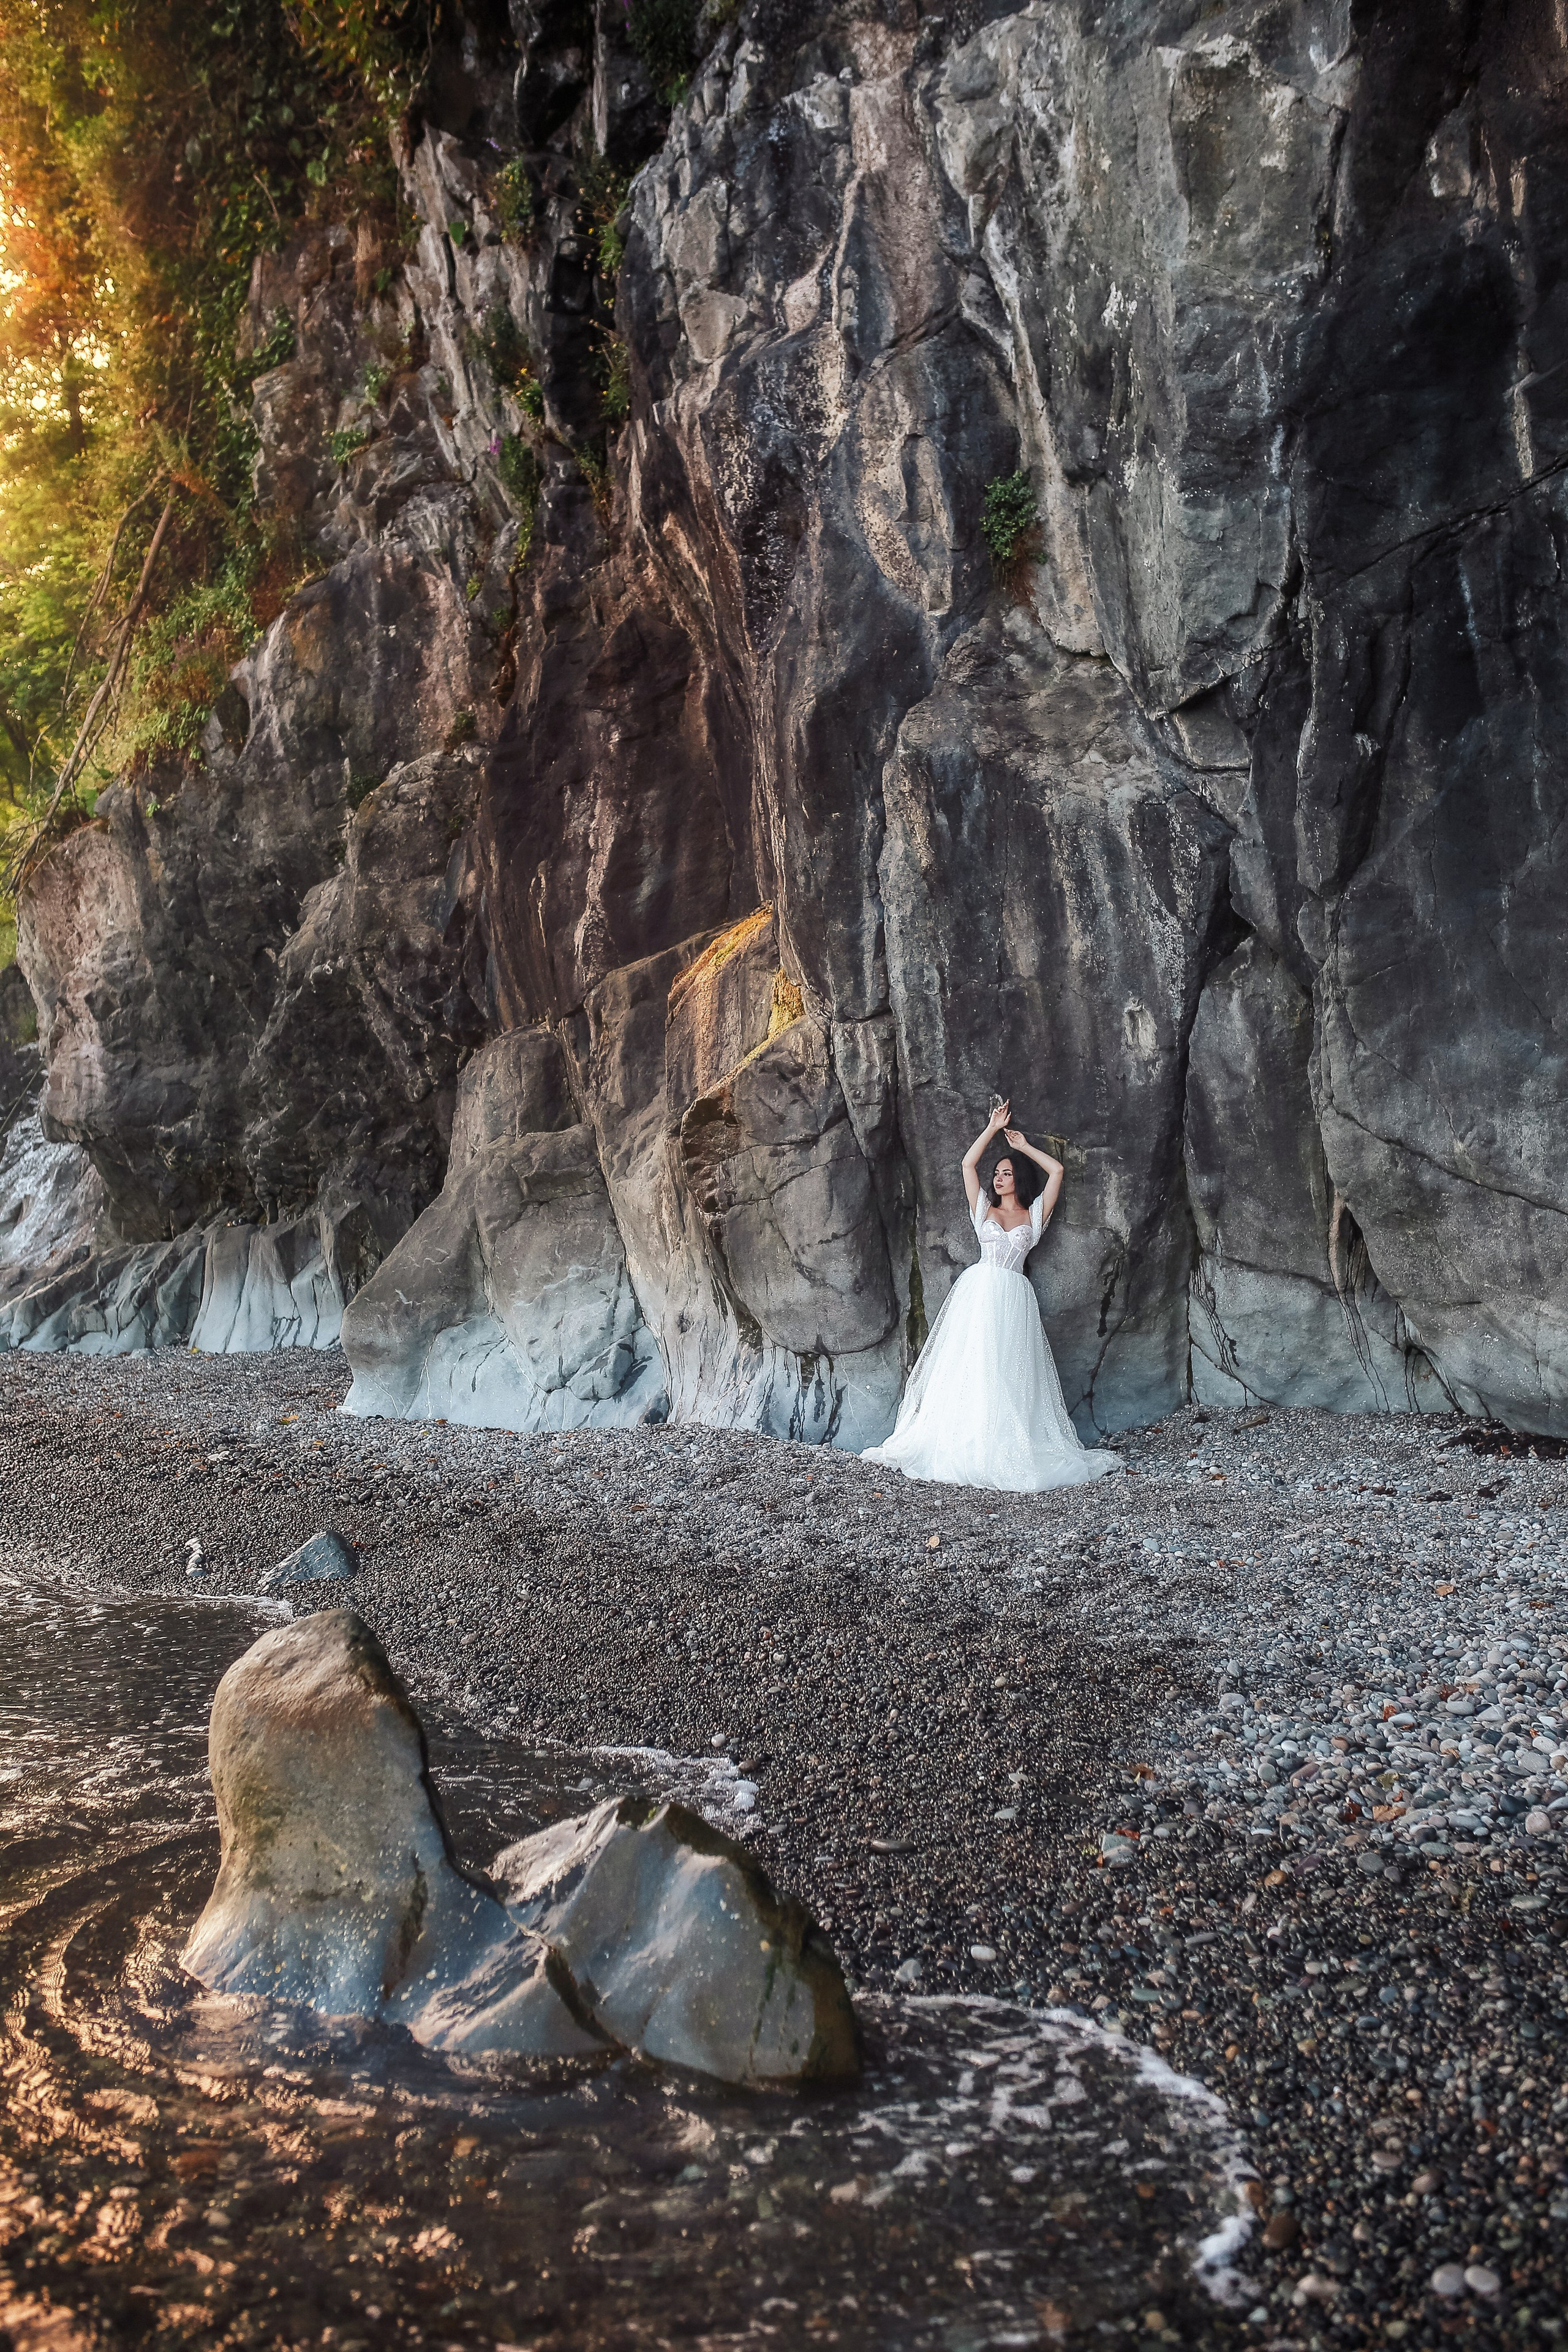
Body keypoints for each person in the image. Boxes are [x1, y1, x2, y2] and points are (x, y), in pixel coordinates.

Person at [863, 1098, 1120, 1492]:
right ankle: (965, 1438)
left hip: (1014, 1295)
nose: (998, 1179)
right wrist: (991, 1129)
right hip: (979, 1291)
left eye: (1005, 1173)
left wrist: (1022, 1148)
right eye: (996, 1174)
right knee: (972, 1363)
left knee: (1009, 1368)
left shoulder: (1034, 1215)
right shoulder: (983, 1209)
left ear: (1017, 1177)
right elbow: (967, 1165)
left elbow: (1057, 1169)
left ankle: (1004, 1442)